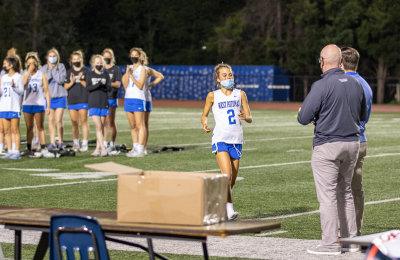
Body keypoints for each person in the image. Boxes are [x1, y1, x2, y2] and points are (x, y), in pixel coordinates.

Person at [297, 44, 367, 255]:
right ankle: (351, 240)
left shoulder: (321, 84)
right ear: (341, 61)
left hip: (328, 144)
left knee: (327, 196)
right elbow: (362, 115)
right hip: (352, 143)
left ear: (322, 60)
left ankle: (329, 243)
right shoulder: (356, 84)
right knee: (345, 192)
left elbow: (303, 117)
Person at [201, 63, 252, 220]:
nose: (228, 77)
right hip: (220, 138)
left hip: (236, 140)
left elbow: (249, 117)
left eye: (230, 75)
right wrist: (204, 123)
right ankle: (229, 211)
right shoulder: (212, 95)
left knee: (232, 181)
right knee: (227, 176)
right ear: (218, 78)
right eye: (225, 75)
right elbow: (204, 115)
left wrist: (246, 117)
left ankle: (215, 202)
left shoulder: (240, 94)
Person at [341, 47, 373, 236]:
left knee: (339, 188)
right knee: (356, 188)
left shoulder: (344, 83)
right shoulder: (366, 85)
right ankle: (356, 229)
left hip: (344, 139)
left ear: (341, 63)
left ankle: (340, 230)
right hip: (360, 139)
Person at [21, 52, 51, 157]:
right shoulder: (24, 74)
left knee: (40, 127)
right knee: (29, 127)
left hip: (38, 104)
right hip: (27, 103)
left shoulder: (41, 74)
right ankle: (29, 148)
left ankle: (43, 147)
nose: (31, 65)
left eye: (33, 63)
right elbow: (23, 84)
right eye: (29, 63)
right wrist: (28, 72)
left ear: (37, 64)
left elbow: (47, 91)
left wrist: (48, 106)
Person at [121, 47, 147, 157]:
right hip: (129, 98)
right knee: (132, 126)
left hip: (138, 99)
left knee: (140, 125)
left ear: (140, 57)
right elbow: (125, 83)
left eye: (136, 55)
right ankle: (135, 147)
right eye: (131, 55)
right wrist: (127, 74)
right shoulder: (129, 68)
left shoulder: (143, 69)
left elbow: (140, 86)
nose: (133, 57)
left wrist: (131, 75)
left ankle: (141, 149)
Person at [41, 48, 67, 150]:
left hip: (60, 97)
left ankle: (60, 141)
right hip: (49, 98)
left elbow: (60, 80)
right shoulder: (44, 68)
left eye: (54, 56)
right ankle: (52, 142)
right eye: (50, 56)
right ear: (47, 57)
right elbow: (45, 80)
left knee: (58, 120)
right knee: (50, 120)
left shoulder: (61, 66)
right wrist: (50, 70)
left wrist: (53, 70)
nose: (52, 58)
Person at [64, 50, 89, 152]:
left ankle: (85, 143)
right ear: (71, 60)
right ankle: (75, 143)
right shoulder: (69, 72)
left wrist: (81, 79)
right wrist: (72, 81)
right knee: (74, 122)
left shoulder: (86, 71)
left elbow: (89, 86)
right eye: (74, 59)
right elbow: (66, 87)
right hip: (72, 100)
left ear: (81, 59)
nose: (76, 60)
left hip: (83, 99)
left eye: (78, 59)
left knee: (83, 121)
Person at [0, 52, 24, 159]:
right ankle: (9, 151)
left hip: (14, 106)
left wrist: (14, 87)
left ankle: (16, 151)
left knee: (15, 130)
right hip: (4, 106)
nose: (4, 66)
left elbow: (21, 92)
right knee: (6, 131)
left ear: (11, 66)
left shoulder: (18, 77)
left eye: (6, 64)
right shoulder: (3, 77)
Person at [140, 50, 164, 155]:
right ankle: (137, 145)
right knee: (137, 125)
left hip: (145, 98)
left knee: (144, 124)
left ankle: (143, 146)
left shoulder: (147, 69)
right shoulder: (132, 69)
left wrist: (151, 84)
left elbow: (160, 76)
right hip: (136, 98)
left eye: (141, 56)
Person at [86, 54, 111, 157]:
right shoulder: (89, 74)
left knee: (100, 128)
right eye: (97, 63)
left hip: (103, 102)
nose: (99, 64)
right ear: (93, 64)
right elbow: (89, 88)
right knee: (98, 126)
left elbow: (109, 88)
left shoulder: (106, 74)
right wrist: (99, 84)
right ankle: (103, 149)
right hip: (93, 103)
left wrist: (102, 85)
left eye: (100, 63)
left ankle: (97, 149)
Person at [102, 48, 121, 152]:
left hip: (112, 98)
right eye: (105, 57)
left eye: (108, 57)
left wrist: (106, 83)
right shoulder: (101, 69)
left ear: (112, 57)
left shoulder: (116, 69)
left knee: (111, 121)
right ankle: (104, 142)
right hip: (102, 98)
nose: (106, 58)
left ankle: (112, 143)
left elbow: (118, 84)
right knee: (103, 122)